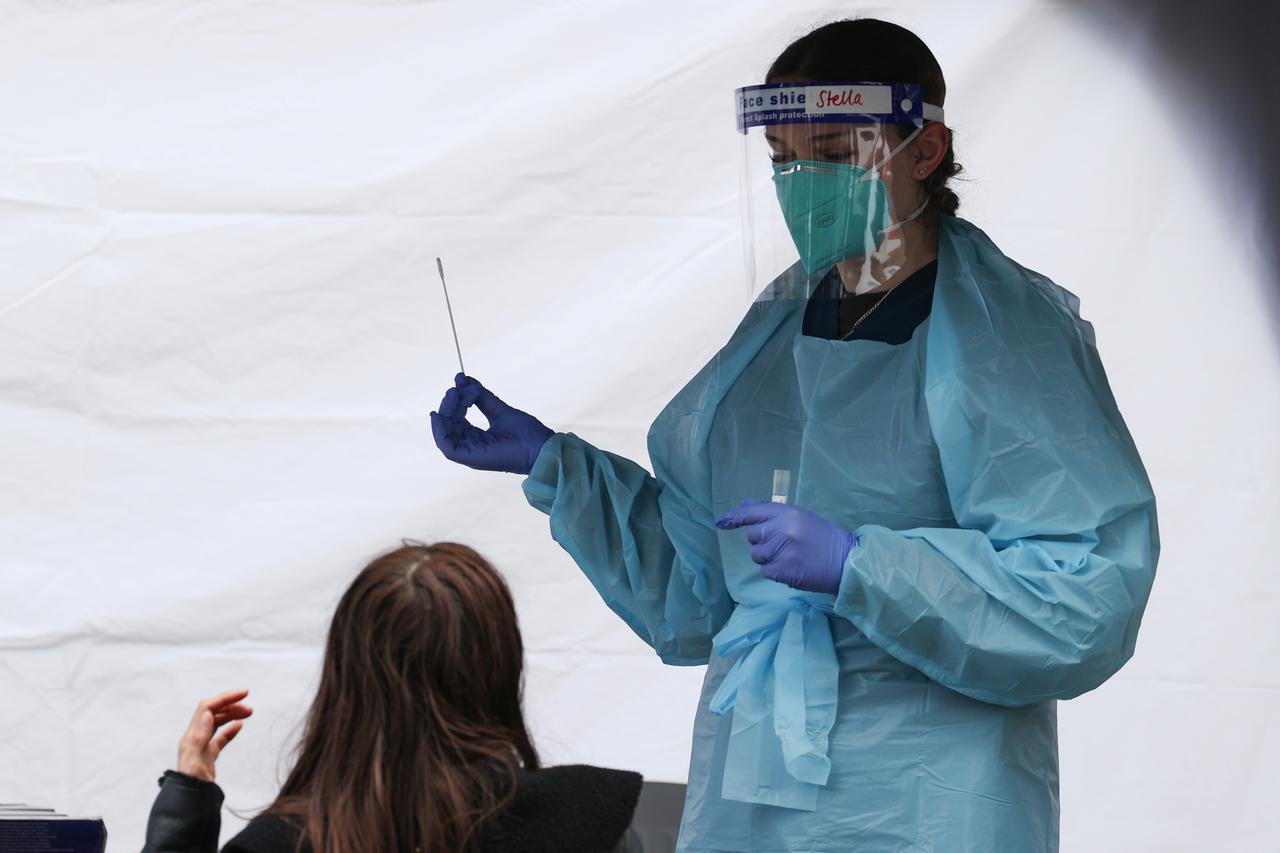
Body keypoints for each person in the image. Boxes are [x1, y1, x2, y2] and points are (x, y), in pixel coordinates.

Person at [431, 17, 1159, 853]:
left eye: (836, 158)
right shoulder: (779, 331)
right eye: (783, 161)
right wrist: (556, 466)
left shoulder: (1005, 339)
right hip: (757, 781)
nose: (803, 185)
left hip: (928, 791)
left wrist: (863, 567)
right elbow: (701, 589)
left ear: (926, 149)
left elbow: (1083, 594)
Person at [140, 542, 645, 853]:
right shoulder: (589, 822)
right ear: (499, 664)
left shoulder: (287, 842)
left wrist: (188, 800)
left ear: (347, 681)